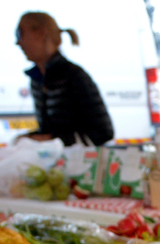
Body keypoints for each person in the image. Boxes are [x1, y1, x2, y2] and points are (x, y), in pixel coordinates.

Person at [16, 11, 113, 146]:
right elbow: (49, 131)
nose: (18, 42)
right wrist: (29, 138)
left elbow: (104, 132)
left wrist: (50, 139)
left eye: (19, 34)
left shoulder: (74, 76)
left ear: (41, 33)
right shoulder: (37, 80)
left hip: (79, 158)